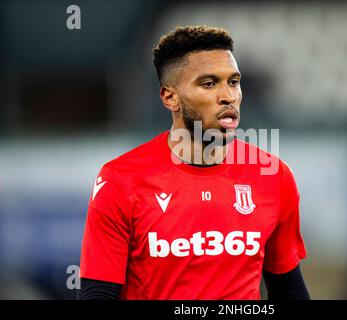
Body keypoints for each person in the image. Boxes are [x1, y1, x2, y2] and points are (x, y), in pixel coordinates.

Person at [78, 25, 309, 300]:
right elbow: (98, 295)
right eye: (209, 83)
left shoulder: (274, 176)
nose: (228, 96)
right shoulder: (120, 180)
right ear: (170, 97)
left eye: (233, 82)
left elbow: (289, 288)